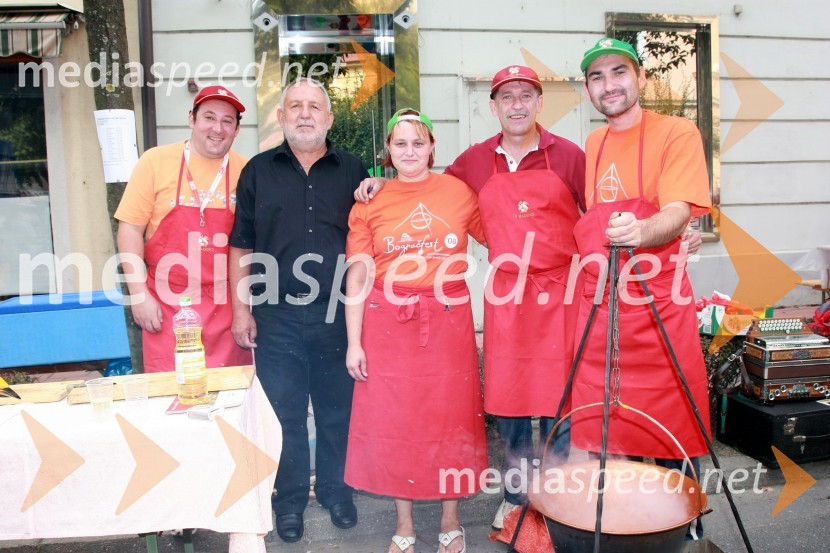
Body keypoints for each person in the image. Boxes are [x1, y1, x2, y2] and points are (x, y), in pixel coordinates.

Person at [572, 37, 712, 538]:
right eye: (597, 77)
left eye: (619, 72)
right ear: (587, 89)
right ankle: (629, 528)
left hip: (660, 304)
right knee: (613, 424)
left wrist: (646, 230)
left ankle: (684, 526)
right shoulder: (594, 144)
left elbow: (676, 209)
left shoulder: (677, 132)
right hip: (609, 307)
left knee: (673, 422)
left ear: (641, 78)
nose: (608, 85)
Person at [445, 66, 586, 528]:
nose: (517, 105)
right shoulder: (473, 160)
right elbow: (435, 196)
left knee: (560, 400)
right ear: (494, 106)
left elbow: (600, 213)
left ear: (539, 102)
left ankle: (557, 494)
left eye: (526, 95)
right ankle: (515, 495)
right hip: (507, 293)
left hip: (562, 292)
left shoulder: (569, 156)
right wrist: (381, 187)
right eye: (507, 97)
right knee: (509, 400)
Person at [228, 78, 367, 544]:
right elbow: (241, 245)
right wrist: (241, 310)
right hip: (276, 315)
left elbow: (374, 228)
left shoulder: (352, 170)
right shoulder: (257, 171)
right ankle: (288, 502)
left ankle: (335, 491)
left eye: (314, 107)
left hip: (335, 315)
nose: (305, 114)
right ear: (281, 117)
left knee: (336, 412)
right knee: (284, 415)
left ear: (329, 118)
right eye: (295, 106)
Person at [344, 109, 488, 553]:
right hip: (388, 322)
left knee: (452, 419)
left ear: (431, 147)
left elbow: (502, 234)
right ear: (388, 150)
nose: (410, 151)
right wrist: (353, 342)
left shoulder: (459, 193)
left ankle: (451, 519)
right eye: (400, 143)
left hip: (448, 319)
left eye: (418, 143)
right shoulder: (370, 202)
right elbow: (358, 274)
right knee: (395, 422)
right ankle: (403, 525)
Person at [115, 85, 253, 372]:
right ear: (192, 119)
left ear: (237, 129)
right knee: (170, 391)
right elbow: (130, 231)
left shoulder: (248, 172)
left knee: (229, 392)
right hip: (166, 306)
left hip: (226, 307)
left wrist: (244, 311)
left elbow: (250, 246)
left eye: (227, 121)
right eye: (209, 117)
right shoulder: (154, 162)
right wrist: (139, 295)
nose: (217, 128)